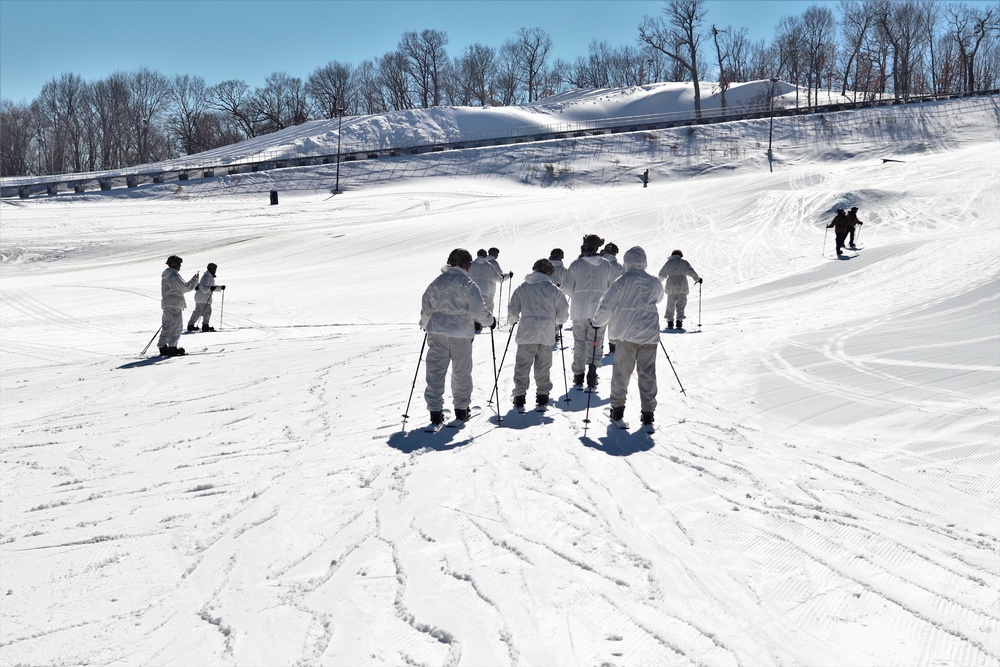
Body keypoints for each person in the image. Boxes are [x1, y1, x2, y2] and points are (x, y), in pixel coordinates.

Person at [420, 248, 496, 426]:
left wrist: (425, 324)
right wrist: (489, 321)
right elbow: (478, 309)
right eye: (468, 264)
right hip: (460, 333)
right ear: (464, 264)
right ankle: (462, 409)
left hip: (437, 331)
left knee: (435, 371)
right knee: (461, 371)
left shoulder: (436, 282)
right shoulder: (467, 283)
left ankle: (435, 412)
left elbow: (426, 306)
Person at [591, 246, 664, 427]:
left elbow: (606, 304)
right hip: (649, 334)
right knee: (648, 373)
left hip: (626, 334)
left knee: (621, 374)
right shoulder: (654, 282)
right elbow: (660, 298)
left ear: (627, 261)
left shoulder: (621, 281)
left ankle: (617, 409)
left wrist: (597, 322)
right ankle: (648, 412)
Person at [507, 259, 570, 410]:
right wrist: (558, 322)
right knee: (543, 366)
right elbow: (563, 311)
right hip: (546, 332)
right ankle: (542, 396)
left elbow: (513, 309)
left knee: (522, 365)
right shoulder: (554, 289)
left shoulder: (523, 287)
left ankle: (520, 396)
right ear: (549, 273)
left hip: (527, 332)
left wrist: (513, 320)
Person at [562, 233, 615, 389]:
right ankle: (592, 371)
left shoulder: (575, 265)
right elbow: (612, 287)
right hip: (599, 311)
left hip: (579, 309)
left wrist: (578, 295)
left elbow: (566, 287)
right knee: (595, 342)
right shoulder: (606, 264)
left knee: (579, 343)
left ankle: (578, 375)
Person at [157, 255, 199, 356]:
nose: (179, 266)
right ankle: (173, 347)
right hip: (174, 303)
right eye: (178, 263)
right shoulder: (174, 276)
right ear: (172, 264)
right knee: (176, 326)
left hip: (167, 303)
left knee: (167, 326)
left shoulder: (167, 275)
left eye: (180, 264)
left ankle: (163, 346)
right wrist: (195, 280)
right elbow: (185, 288)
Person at [658, 249, 702, 330]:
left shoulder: (668, 263)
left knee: (670, 305)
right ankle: (679, 321)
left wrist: (658, 282)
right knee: (681, 304)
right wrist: (697, 279)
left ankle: (670, 322)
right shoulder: (683, 262)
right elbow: (691, 271)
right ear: (680, 255)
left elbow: (661, 274)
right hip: (682, 285)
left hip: (671, 286)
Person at [468, 249, 503, 332]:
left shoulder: (471, 265)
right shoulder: (488, 265)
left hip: (472, 289)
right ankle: (483, 323)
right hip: (484, 290)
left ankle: (474, 323)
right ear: (485, 255)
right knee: (484, 307)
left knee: (473, 305)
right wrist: (501, 279)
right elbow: (495, 277)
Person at [600, 242, 624, 353]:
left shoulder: (599, 265)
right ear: (615, 253)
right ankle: (613, 346)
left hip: (599, 297)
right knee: (614, 322)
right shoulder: (619, 267)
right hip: (615, 298)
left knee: (599, 323)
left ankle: (597, 346)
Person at [187, 263, 225, 332]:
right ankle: (205, 325)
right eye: (214, 269)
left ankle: (191, 325)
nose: (215, 270)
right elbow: (202, 287)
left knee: (198, 312)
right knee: (207, 311)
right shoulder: (207, 277)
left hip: (200, 298)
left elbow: (211, 287)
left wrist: (220, 287)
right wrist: (211, 288)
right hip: (203, 298)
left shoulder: (209, 277)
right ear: (210, 269)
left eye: (215, 269)